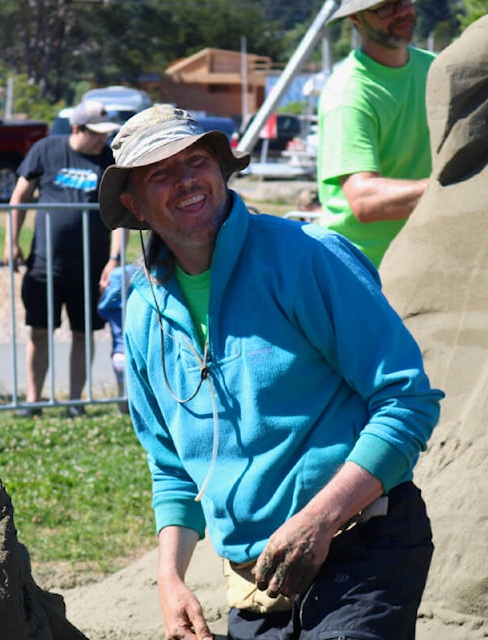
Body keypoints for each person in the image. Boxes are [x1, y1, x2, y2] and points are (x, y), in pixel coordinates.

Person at [98, 104, 443, 640]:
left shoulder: (307, 257)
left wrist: (320, 519)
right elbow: (171, 466)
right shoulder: (143, 310)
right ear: (133, 205)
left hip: (361, 544)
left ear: (220, 169)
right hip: (257, 578)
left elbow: (406, 400)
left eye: (196, 161)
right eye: (160, 173)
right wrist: (170, 579)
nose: (186, 180)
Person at [4, 99, 125, 418]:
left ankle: (75, 401)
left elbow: (119, 217)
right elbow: (20, 196)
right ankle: (33, 401)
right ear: (76, 129)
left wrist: (114, 259)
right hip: (45, 265)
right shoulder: (46, 150)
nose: (103, 139)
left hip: (90, 268)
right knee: (39, 332)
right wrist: (11, 240)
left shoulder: (109, 159)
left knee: (83, 334)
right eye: (96, 133)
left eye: (105, 133)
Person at [316, 0, 434, 268]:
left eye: (404, 1)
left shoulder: (438, 70)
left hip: (424, 257)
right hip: (361, 271)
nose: (402, 12)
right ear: (356, 18)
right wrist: (450, 189)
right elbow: (364, 200)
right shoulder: (349, 95)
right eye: (385, 7)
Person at [96, 263, 136, 415]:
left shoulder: (111, 309)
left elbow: (102, 310)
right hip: (137, 355)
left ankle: (124, 410)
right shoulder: (140, 305)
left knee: (122, 390)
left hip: (119, 356)